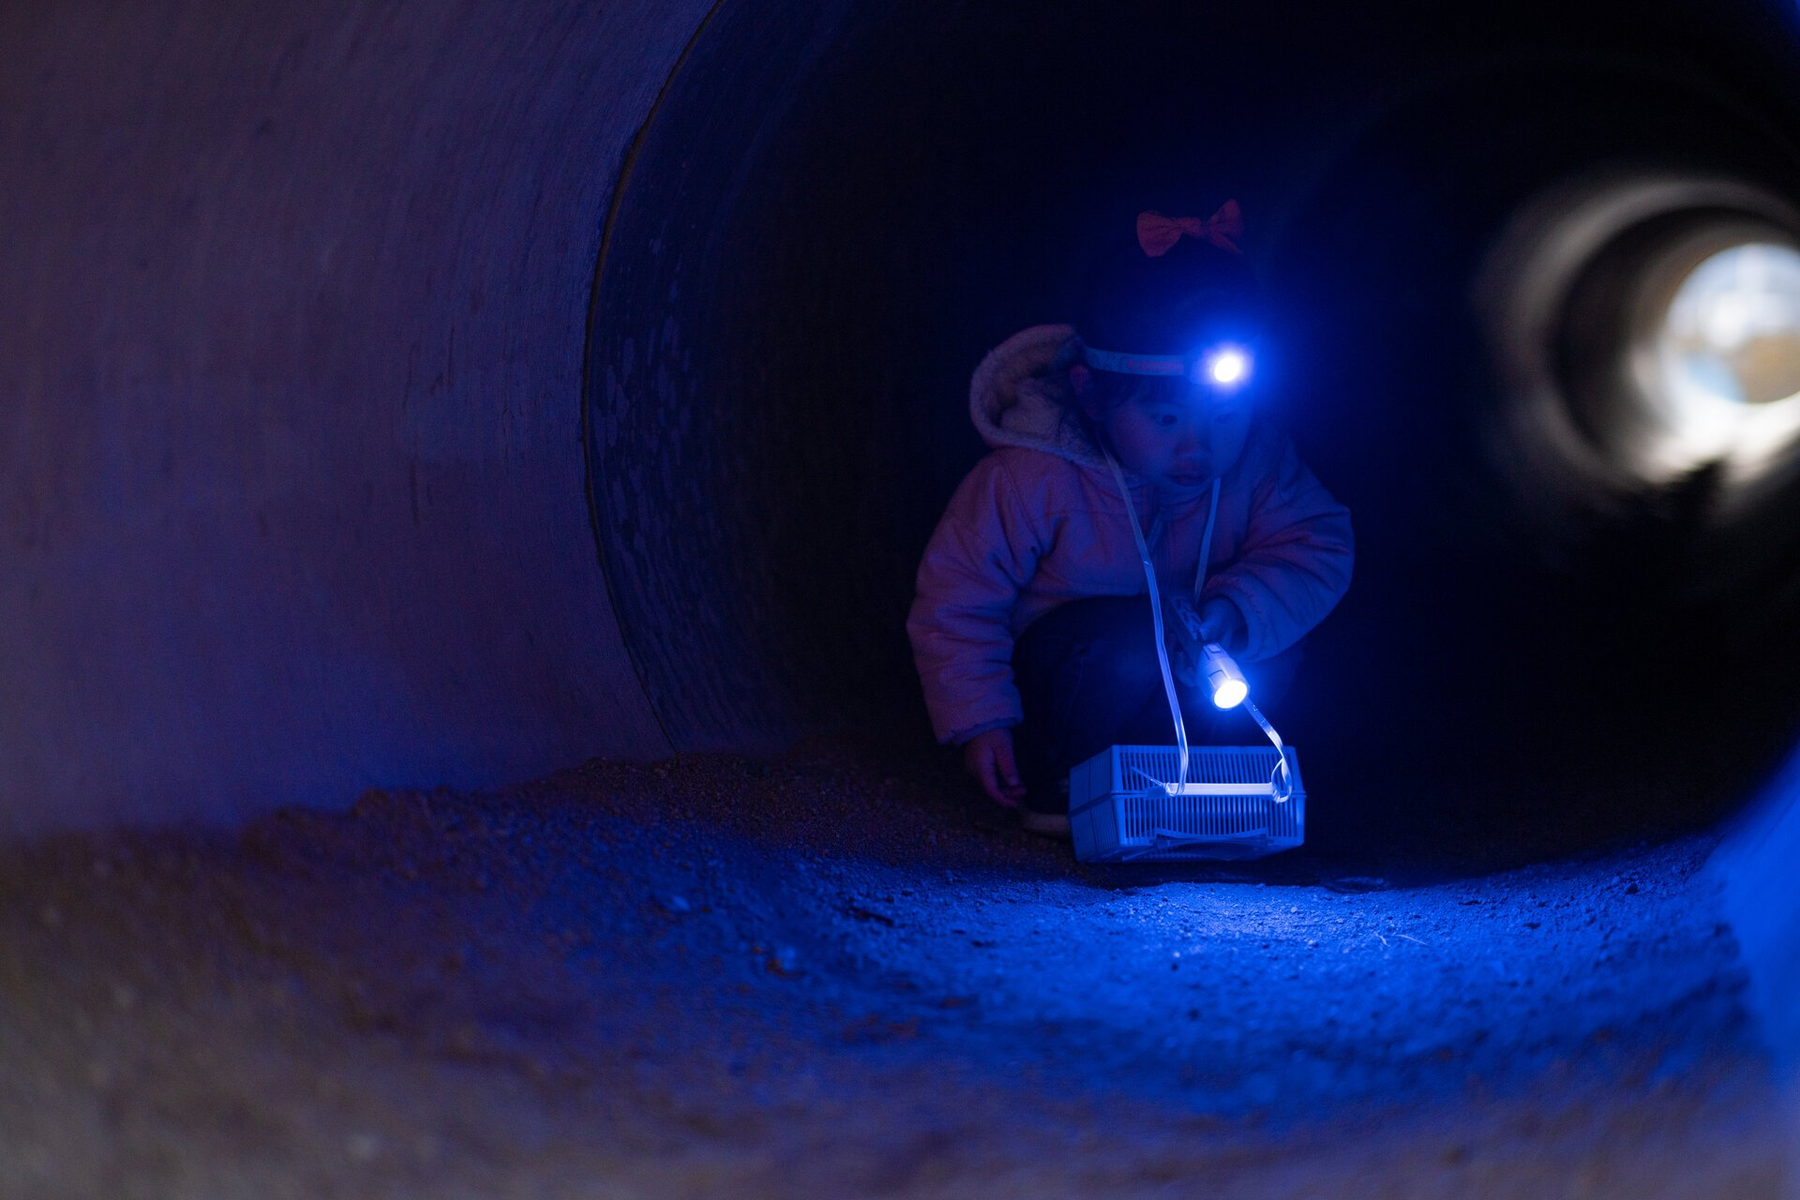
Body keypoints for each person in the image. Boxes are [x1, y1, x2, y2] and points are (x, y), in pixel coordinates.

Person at [906, 203, 1355, 836]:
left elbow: (1317, 543)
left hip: (1184, 665)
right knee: (1131, 646)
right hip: (1064, 680)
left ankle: (1197, 783)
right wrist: (980, 720)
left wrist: (1237, 611)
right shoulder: (1032, 479)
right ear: (1092, 394)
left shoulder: (1258, 465)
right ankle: (1062, 780)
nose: (1197, 446)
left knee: (1261, 639)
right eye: (1168, 420)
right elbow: (957, 597)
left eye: (1224, 417)